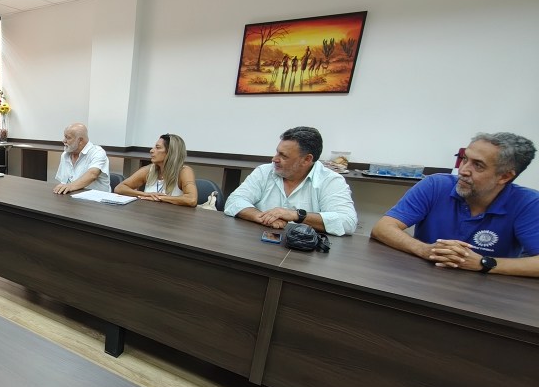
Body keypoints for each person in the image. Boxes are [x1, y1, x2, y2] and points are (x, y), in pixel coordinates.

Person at [371, 132, 539, 277]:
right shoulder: (435, 185)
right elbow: (382, 228)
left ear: (505, 177)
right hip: (423, 279)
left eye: (478, 165)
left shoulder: (528, 203)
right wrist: (425, 250)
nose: (463, 170)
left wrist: (483, 263)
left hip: (487, 290)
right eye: (464, 159)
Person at [224, 126, 357, 235]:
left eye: (283, 156)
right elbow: (234, 200)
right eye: (277, 152)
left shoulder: (330, 181)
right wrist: (262, 217)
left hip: (306, 252)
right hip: (260, 242)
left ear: (307, 159)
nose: (274, 159)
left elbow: (348, 222)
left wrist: (297, 215)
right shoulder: (264, 172)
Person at [114, 133, 198, 207]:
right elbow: (119, 188)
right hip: (150, 214)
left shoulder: (184, 171)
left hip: (174, 217)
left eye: (158, 148)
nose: (151, 151)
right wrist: (146, 194)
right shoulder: (149, 170)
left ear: (170, 152)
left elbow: (191, 199)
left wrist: (160, 198)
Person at [53, 122, 111, 194]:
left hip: (97, 199)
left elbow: (92, 174)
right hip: (73, 197)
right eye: (64, 137)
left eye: (68, 138)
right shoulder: (65, 155)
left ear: (80, 140)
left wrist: (70, 186)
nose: (64, 141)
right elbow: (64, 182)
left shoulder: (97, 152)